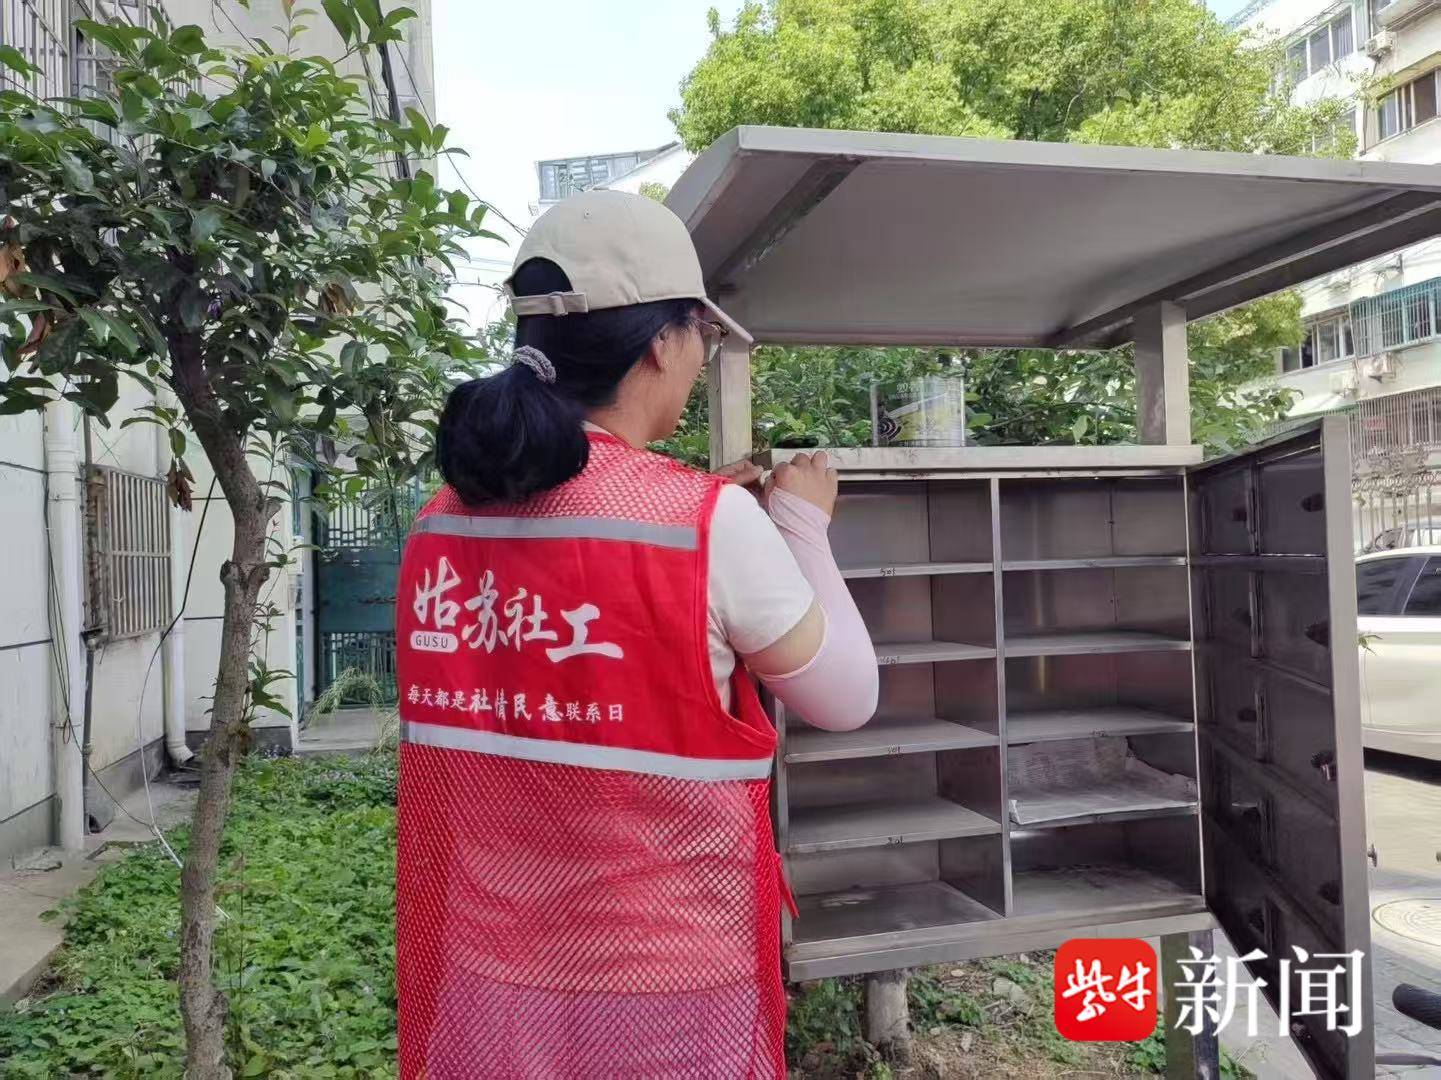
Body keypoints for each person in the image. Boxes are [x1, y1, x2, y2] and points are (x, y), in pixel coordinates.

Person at [394, 189, 879, 1079]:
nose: (698, 359)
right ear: (662, 341)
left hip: (487, 968)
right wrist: (800, 526)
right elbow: (845, 697)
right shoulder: (706, 524)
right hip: (663, 977)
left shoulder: (440, 518)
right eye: (701, 336)